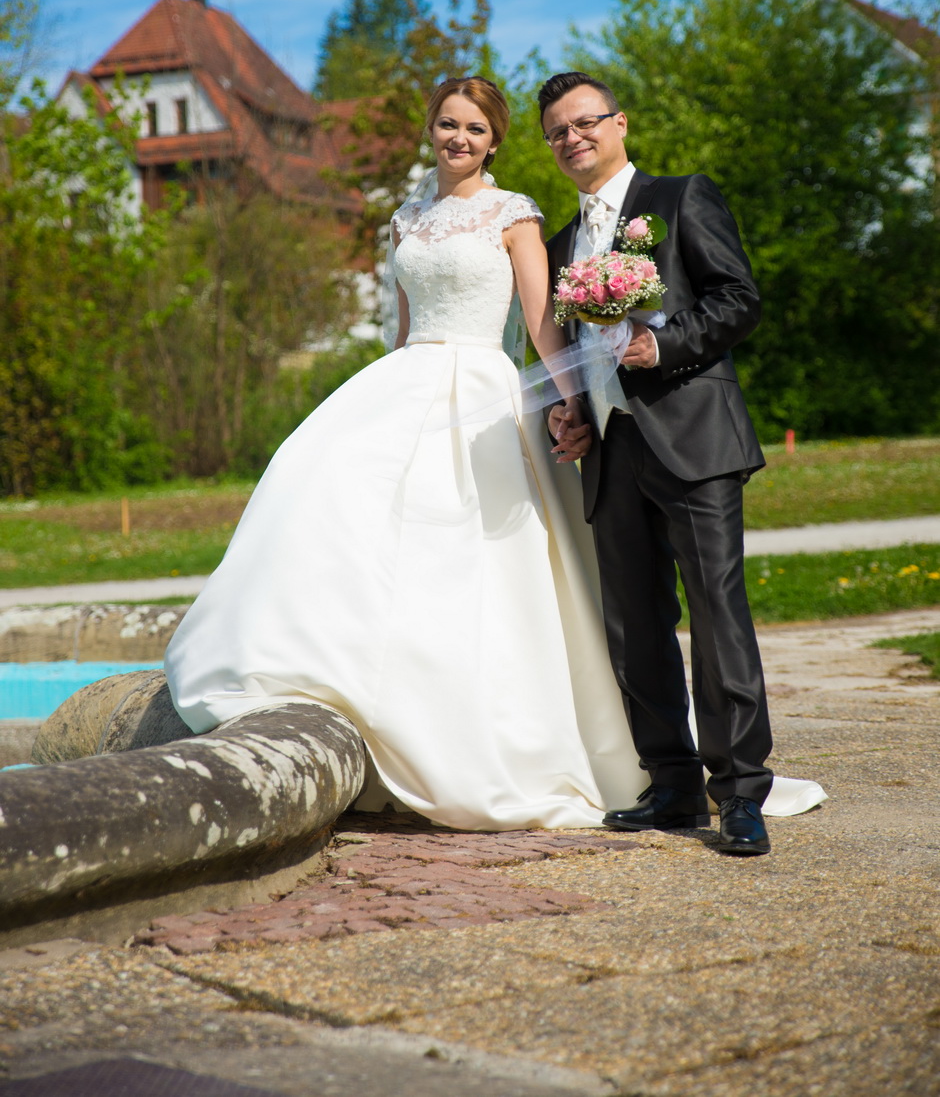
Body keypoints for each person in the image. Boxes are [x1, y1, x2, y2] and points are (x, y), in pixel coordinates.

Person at [165, 76, 651, 831]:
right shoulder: (405, 220)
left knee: (472, 556)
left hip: (482, 390)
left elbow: (540, 320)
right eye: (449, 125)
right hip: (405, 382)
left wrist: (565, 404)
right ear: (431, 128)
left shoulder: (514, 213)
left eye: (477, 130)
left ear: (495, 141)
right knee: (322, 492)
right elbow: (400, 330)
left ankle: (491, 734)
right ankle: (347, 685)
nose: (461, 139)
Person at [542, 70, 782, 855]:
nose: (572, 138)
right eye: (557, 133)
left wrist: (660, 342)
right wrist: (566, 414)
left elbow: (737, 296)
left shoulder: (681, 198)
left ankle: (740, 791)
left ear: (619, 123)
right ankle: (672, 785)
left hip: (694, 437)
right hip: (609, 453)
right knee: (633, 626)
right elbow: (566, 354)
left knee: (717, 615)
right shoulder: (556, 246)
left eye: (585, 123)